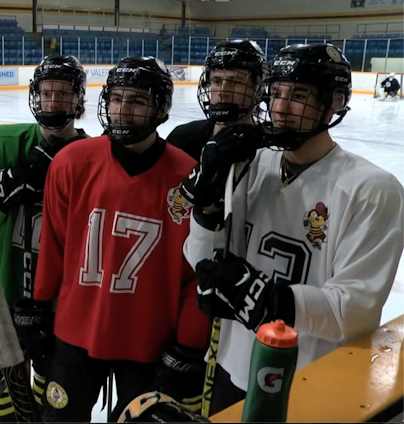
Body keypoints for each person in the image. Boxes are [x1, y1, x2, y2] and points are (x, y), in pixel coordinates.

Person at [182, 43, 404, 416]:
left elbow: (356, 309)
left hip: (310, 378)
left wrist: (271, 301)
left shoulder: (372, 190)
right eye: (276, 93)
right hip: (231, 367)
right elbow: (203, 260)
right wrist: (207, 210)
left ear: (334, 102)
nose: (281, 107)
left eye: (298, 95)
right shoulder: (249, 165)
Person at [26, 56, 212, 422]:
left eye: (138, 101)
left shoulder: (188, 177)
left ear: (160, 110)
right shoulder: (71, 162)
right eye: (117, 99)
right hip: (75, 332)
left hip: (150, 343)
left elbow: (196, 272)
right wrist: (38, 308)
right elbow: (54, 247)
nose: (123, 111)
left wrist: (189, 343)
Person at [0, 54, 89, 422]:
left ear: (79, 100)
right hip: (2, 290)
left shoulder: (93, 157)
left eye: (63, 94)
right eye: (46, 93)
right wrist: (0, 192)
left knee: (48, 388)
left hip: (60, 302)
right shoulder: (3, 142)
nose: (53, 102)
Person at [166, 40, 266, 161]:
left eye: (234, 82)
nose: (223, 91)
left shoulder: (272, 149)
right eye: (217, 81)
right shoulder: (182, 139)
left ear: (258, 89)